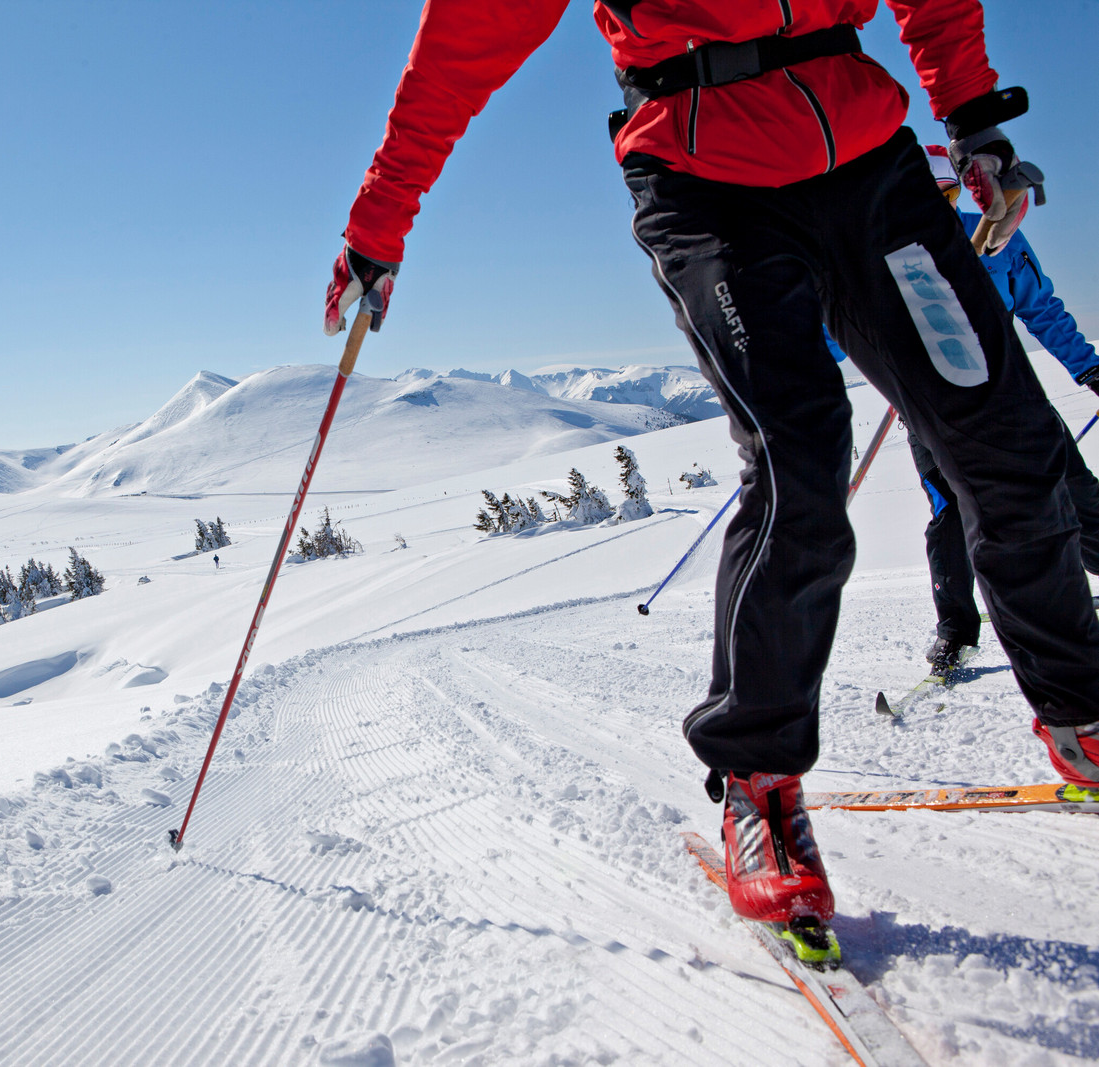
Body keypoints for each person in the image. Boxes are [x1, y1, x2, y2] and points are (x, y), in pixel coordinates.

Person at [324, 1, 1099, 937]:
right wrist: (381, 221)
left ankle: (1080, 713)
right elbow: (465, 37)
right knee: (797, 460)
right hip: (704, 179)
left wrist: (972, 115)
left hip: (867, 159)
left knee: (1008, 437)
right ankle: (759, 784)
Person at [907, 147, 1099, 671]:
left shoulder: (997, 239)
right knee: (950, 513)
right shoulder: (887, 257)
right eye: (927, 198)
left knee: (1070, 482)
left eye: (947, 195)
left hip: (1011, 392)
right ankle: (956, 631)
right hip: (931, 408)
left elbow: (1041, 307)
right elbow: (840, 333)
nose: (940, 206)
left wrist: (1088, 367)